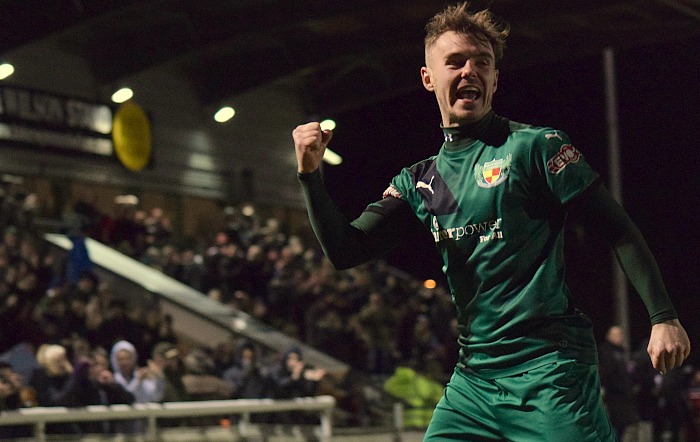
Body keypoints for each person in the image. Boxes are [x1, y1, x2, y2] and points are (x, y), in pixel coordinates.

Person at [291, 2, 691, 440]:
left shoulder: (535, 147)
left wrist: (663, 316)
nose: (470, 72)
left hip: (548, 370)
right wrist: (311, 176)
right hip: (473, 382)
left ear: (495, 79)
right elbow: (345, 251)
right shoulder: (419, 181)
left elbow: (618, 228)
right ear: (428, 78)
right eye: (455, 62)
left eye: (482, 63)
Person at [598, 325, 640, 441]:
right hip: (614, 398)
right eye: (617, 335)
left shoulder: (620, 352)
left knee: (625, 426)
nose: (620, 337)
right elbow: (607, 375)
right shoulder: (607, 352)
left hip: (624, 397)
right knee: (618, 427)